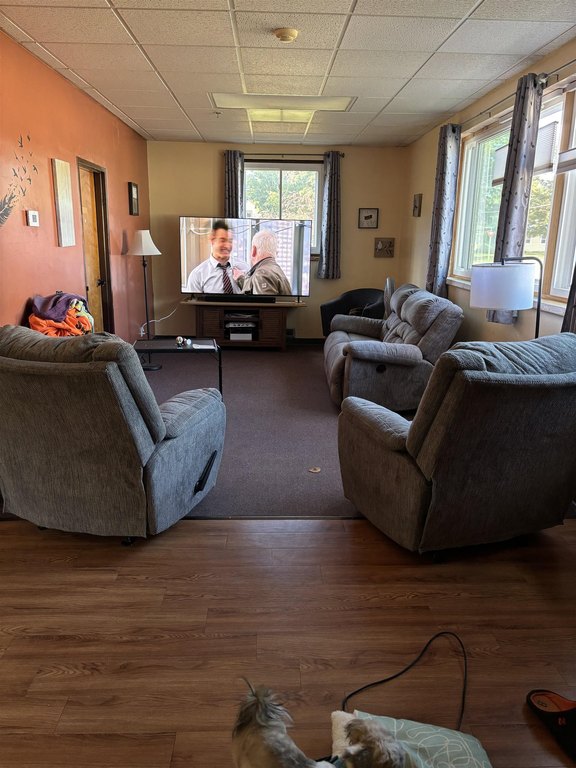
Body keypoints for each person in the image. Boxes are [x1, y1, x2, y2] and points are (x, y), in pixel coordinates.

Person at [185, 220, 241, 294]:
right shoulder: (197, 275)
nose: (227, 246)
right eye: (223, 240)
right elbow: (194, 301)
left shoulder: (245, 269)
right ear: (212, 240)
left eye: (230, 241)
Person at [233, 229, 292, 296]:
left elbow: (262, 302)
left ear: (254, 250)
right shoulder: (275, 270)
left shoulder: (262, 274)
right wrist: (240, 279)